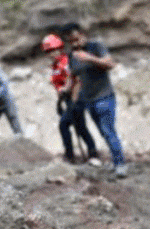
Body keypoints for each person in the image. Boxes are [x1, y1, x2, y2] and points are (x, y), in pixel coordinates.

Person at [60, 22, 127, 176]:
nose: (75, 44)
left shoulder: (96, 47)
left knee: (108, 131)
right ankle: (116, 160)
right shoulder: (72, 55)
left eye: (77, 39)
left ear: (83, 34)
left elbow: (110, 64)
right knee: (103, 132)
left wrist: (89, 58)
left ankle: (120, 164)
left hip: (104, 97)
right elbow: (73, 74)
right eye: (71, 42)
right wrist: (67, 88)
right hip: (89, 100)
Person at [41, 33, 100, 165]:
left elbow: (76, 79)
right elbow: (57, 85)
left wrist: (71, 96)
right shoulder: (54, 68)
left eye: (53, 50)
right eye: (48, 52)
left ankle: (70, 155)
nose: (51, 54)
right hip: (67, 99)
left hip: (77, 97)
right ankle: (92, 152)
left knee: (64, 125)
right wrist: (60, 100)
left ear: (59, 49)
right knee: (80, 127)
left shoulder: (67, 61)